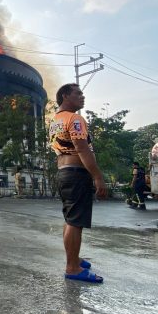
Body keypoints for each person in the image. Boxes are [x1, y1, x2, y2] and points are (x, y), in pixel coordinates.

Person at [49, 83, 107, 283]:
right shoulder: (75, 119)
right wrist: (98, 177)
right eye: (78, 93)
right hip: (76, 174)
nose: (83, 96)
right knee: (76, 222)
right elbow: (83, 150)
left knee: (70, 219)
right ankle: (72, 267)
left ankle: (74, 259)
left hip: (63, 172)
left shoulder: (55, 120)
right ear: (65, 95)